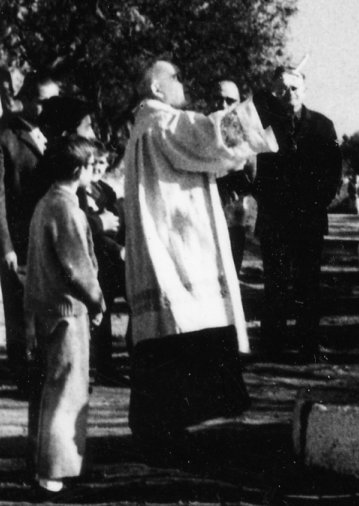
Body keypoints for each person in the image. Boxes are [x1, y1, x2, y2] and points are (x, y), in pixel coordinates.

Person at [123, 60, 275, 451]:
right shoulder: (161, 121)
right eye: (175, 76)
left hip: (169, 241)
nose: (181, 82)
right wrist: (264, 105)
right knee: (178, 330)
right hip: (176, 247)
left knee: (167, 338)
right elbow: (210, 135)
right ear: (156, 89)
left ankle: (162, 427)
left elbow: (215, 156)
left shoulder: (146, 125)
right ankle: (164, 433)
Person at [23, 135, 105, 497]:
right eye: (91, 166)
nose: (94, 171)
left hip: (47, 309)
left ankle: (53, 465)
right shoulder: (67, 208)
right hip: (67, 312)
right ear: (78, 169)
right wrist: (98, 300)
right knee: (65, 391)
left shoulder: (47, 203)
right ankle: (53, 472)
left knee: (51, 386)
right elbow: (77, 266)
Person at [0, 73, 60, 393]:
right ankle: (24, 377)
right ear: (23, 100)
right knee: (23, 314)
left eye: (53, 101)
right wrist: (4, 247)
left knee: (54, 308)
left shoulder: (58, 138)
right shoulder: (0, 141)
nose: (46, 108)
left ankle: (51, 373)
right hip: (20, 243)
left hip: (54, 237)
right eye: (41, 100)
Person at [253, 65, 342, 362]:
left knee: (308, 284)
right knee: (275, 284)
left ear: (303, 90)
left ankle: (307, 346)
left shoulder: (322, 126)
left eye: (294, 88)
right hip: (274, 219)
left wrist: (315, 204)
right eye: (282, 89)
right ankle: (272, 346)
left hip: (309, 219)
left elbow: (333, 174)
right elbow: (254, 173)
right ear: (273, 91)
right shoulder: (261, 126)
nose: (288, 94)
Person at [77, 142, 124, 380]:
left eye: (103, 162)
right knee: (97, 313)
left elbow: (117, 222)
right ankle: (99, 366)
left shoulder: (106, 190)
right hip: (94, 256)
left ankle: (110, 365)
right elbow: (90, 229)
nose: (98, 167)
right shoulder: (78, 191)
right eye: (94, 162)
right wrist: (117, 248)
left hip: (111, 260)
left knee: (109, 308)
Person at [211, 79, 256, 273]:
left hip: (234, 210)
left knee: (231, 266)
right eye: (218, 99)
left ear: (238, 103)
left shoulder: (248, 132)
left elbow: (253, 173)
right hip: (206, 210)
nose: (223, 105)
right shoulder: (199, 128)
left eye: (229, 100)